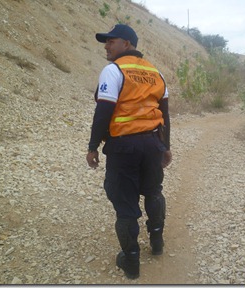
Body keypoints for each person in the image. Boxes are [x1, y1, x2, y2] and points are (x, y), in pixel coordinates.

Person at [86, 24, 172, 279]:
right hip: (152, 143)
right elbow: (164, 113)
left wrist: (93, 147)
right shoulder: (156, 73)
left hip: (124, 146)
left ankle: (131, 262)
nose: (106, 45)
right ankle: (157, 244)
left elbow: (103, 112)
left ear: (126, 43)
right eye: (106, 42)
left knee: (125, 205)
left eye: (111, 41)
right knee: (154, 192)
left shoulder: (114, 70)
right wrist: (166, 147)